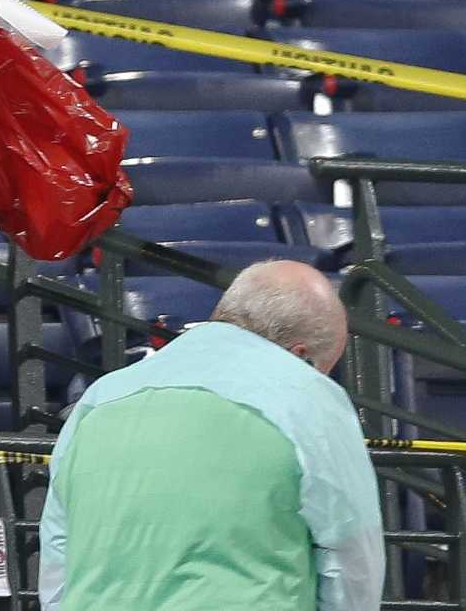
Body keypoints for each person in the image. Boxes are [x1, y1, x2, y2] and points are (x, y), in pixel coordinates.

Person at [39, 259, 384, 610]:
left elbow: (56, 555)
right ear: (300, 355)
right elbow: (351, 557)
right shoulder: (310, 395)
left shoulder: (100, 398)